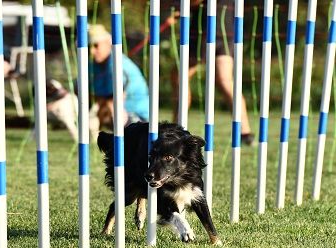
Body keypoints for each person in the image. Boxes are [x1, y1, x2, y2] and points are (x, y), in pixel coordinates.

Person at [168, 0, 255, 146]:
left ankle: (176, 127)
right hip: (226, 27)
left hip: (205, 28)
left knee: (180, 76)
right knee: (225, 80)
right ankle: (245, 132)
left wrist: (183, 7)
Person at [87, 24, 149, 141]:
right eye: (89, 46)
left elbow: (115, 98)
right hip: (114, 112)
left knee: (111, 107)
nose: (92, 51)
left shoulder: (118, 64)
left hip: (139, 117)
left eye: (96, 45)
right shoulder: (93, 65)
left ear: (108, 43)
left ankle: (129, 140)